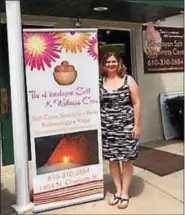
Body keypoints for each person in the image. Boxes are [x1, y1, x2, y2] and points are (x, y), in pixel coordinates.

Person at [99, 52, 141, 209]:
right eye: (108, 62)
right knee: (113, 160)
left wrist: (137, 126)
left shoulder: (128, 80)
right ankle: (117, 191)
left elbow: (137, 103)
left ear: (119, 63)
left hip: (126, 128)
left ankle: (125, 193)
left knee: (127, 161)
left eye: (113, 61)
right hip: (107, 130)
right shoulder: (100, 82)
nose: (111, 64)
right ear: (104, 65)